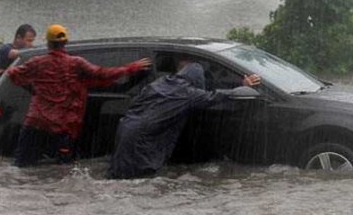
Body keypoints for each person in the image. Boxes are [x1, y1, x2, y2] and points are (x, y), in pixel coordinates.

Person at [6, 24, 151, 167]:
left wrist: (34, 90)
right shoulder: (76, 63)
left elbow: (12, 73)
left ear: (48, 43)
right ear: (66, 43)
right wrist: (130, 68)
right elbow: (103, 74)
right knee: (64, 170)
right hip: (62, 127)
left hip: (36, 123)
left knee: (21, 166)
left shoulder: (37, 62)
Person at [109, 58, 261, 179]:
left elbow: (137, 102)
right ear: (197, 79)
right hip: (144, 138)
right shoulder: (187, 93)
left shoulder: (160, 82)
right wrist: (242, 86)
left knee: (121, 173)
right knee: (140, 178)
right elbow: (215, 96)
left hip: (126, 127)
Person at [0, 24, 36, 89]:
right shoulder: (5, 49)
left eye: (32, 41)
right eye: (29, 41)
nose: (31, 44)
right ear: (18, 38)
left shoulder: (25, 52)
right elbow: (13, 54)